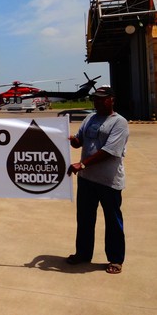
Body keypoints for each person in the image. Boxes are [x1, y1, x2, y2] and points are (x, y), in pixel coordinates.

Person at [66, 86, 128, 274]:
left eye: (102, 99)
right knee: (84, 219)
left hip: (108, 182)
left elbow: (110, 151)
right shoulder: (90, 119)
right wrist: (68, 138)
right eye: (95, 99)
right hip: (87, 181)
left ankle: (116, 259)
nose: (98, 102)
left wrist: (82, 164)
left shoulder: (119, 123)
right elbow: (79, 141)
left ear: (112, 100)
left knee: (112, 221)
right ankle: (83, 254)